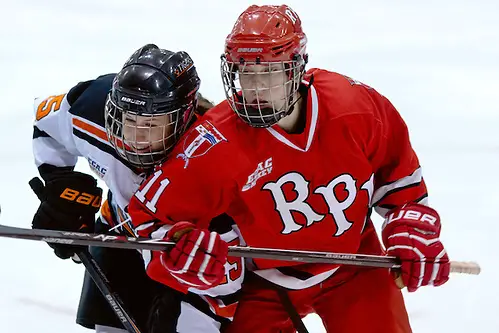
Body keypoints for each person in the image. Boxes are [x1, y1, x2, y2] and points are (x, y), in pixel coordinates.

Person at [127, 5, 451, 333]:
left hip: (355, 266)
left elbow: (398, 178)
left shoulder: (355, 107)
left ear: (295, 68)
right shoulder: (215, 141)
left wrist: (408, 223)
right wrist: (181, 246)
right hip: (264, 285)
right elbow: (148, 215)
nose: (254, 88)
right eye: (245, 73)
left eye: (267, 73)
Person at [30, 43, 244, 333]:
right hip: (122, 235)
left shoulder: (212, 157)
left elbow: (233, 271)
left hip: (191, 267)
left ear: (182, 119)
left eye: (152, 125)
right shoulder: (90, 107)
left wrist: (199, 277)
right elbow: (46, 125)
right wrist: (60, 185)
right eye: (130, 121)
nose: (137, 139)